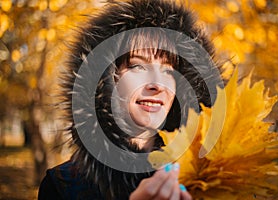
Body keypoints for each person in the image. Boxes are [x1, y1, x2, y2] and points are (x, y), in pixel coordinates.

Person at [38, 0, 221, 199]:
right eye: (137, 67)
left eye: (168, 70)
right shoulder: (63, 186)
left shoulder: (214, 177)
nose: (158, 85)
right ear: (107, 80)